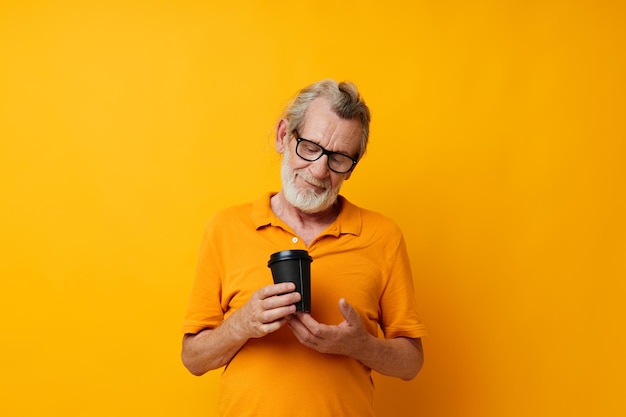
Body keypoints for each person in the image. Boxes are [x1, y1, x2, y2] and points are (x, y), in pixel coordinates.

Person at [181, 79, 427, 417]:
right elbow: (193, 359)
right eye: (310, 147)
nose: (319, 170)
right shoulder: (225, 229)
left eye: (339, 158)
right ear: (284, 136)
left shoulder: (383, 236)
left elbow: (411, 363)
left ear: (352, 168)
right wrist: (242, 325)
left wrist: (361, 345)